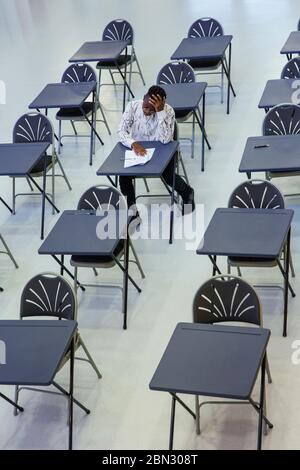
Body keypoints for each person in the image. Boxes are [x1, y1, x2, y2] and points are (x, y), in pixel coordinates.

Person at [117, 85, 195, 220]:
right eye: (145, 106)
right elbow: (121, 131)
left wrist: (160, 113)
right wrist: (133, 143)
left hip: (163, 150)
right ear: (143, 99)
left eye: (150, 108)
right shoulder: (133, 107)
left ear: (160, 104)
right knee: (123, 177)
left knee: (167, 174)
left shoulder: (168, 111)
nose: (145, 110)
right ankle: (133, 213)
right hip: (140, 151)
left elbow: (165, 140)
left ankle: (187, 193)